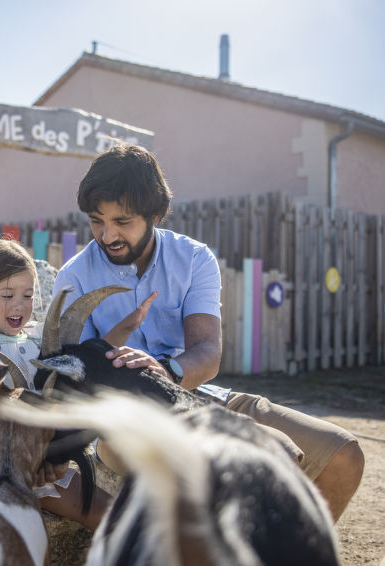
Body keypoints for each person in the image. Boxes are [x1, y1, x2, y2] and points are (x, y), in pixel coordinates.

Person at [52, 143, 364, 522]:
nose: (107, 235)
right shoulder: (73, 277)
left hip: (198, 394)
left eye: (123, 222)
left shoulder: (195, 258)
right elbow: (69, 376)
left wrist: (164, 372)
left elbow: (207, 354)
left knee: (344, 455)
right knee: (229, 474)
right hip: (125, 419)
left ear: (156, 214)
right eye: (97, 220)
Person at [0, 238, 111, 530]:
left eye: (28, 295)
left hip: (43, 458)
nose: (19, 304)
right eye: (7, 296)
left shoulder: (40, 336)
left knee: (108, 510)